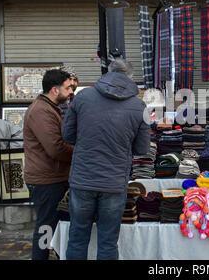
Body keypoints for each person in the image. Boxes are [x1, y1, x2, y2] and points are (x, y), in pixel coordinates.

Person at [62, 57, 150, 260]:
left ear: (107, 72)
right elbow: (142, 148)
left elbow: (67, 135)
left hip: (83, 179)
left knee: (77, 237)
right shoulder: (139, 107)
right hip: (114, 182)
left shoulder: (83, 97)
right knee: (108, 240)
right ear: (131, 77)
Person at [23, 69, 74, 260]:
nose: (71, 92)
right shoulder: (41, 111)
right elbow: (55, 148)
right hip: (46, 181)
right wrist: (80, 152)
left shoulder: (50, 108)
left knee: (55, 226)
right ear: (54, 89)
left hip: (53, 178)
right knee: (45, 227)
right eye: (67, 87)